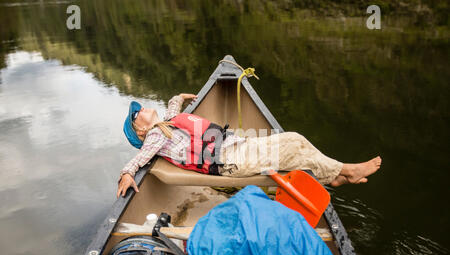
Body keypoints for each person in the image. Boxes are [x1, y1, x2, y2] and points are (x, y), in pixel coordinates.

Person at [117, 94, 381, 198]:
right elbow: (140, 158)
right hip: (229, 160)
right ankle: (344, 170)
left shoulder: (166, 124)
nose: (140, 110)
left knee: (295, 141)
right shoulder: (154, 136)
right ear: (140, 130)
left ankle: (335, 175)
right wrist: (128, 173)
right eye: (136, 114)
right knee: (294, 142)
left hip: (234, 148)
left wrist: (181, 97)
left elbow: (172, 107)